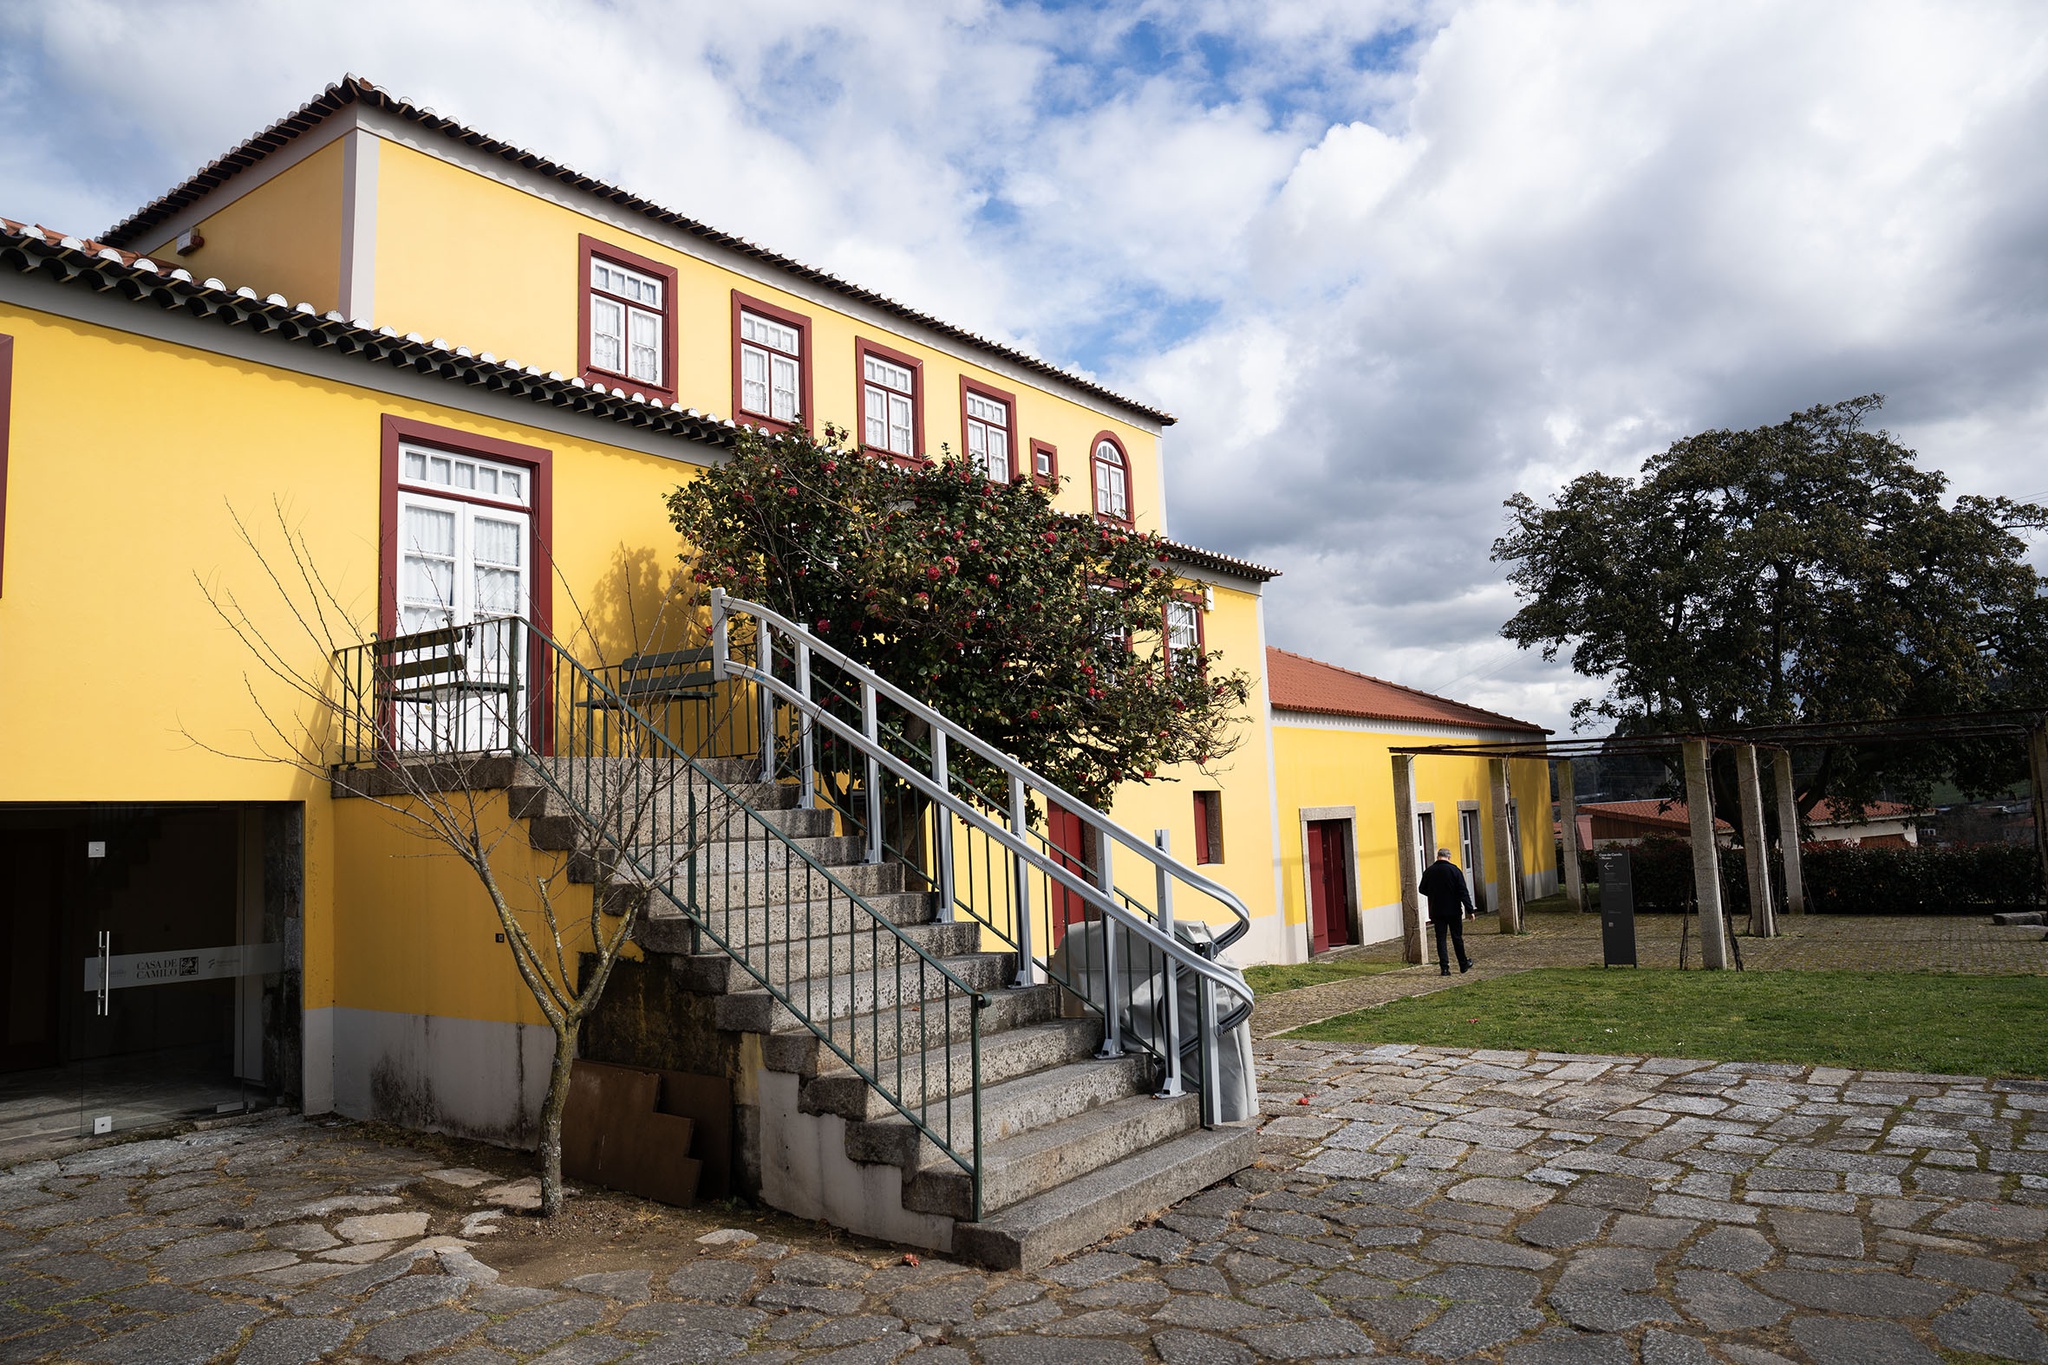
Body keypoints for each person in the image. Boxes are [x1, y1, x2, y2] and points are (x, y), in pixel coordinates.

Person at [1417, 847, 1474, 975]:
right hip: (1453, 910)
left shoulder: (1429, 871)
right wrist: (1470, 910)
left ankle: (1444, 968)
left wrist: (1433, 894)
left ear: (1438, 856)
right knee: (1457, 937)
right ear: (1449, 857)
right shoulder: (1454, 870)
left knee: (1441, 939)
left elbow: (1421, 889)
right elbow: (1463, 892)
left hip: (1437, 910)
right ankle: (1463, 964)